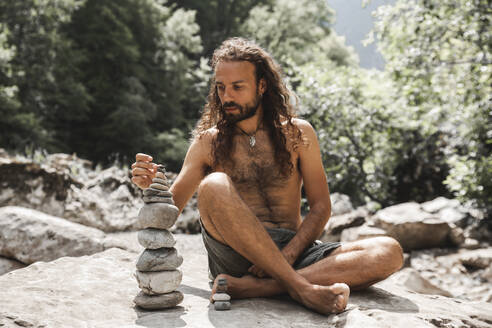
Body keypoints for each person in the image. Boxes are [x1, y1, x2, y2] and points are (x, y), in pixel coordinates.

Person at [131, 38, 403, 315]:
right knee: (213, 184)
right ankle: (302, 288)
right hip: (237, 257)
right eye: (221, 88)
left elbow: (321, 207)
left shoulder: (299, 134)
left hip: (294, 251)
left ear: (262, 86)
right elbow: (169, 211)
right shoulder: (207, 143)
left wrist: (290, 254)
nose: (227, 97)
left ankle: (261, 287)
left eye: (238, 87)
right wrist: (151, 186)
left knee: (388, 251)